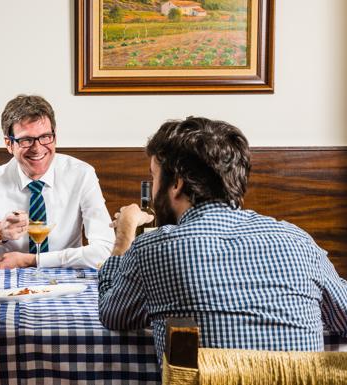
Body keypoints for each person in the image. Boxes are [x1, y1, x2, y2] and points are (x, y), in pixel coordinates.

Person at [98, 116, 347, 365]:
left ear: (176, 183)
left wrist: (124, 236)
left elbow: (114, 314)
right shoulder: (299, 242)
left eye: (154, 177)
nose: (153, 190)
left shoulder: (153, 250)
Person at [0, 94, 114, 269]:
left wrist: (31, 261)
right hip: (6, 286)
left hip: (67, 283)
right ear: (9, 144)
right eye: (26, 140)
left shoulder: (82, 174)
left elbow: (105, 250)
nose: (37, 148)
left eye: (45, 137)